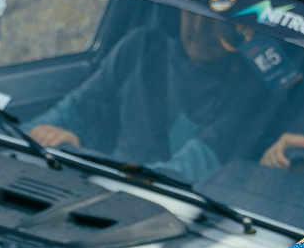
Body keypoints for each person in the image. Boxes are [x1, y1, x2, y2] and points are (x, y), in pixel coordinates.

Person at [31, 10, 282, 181]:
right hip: (107, 187)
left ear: (242, 28)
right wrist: (37, 135)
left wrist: (82, 158)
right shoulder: (143, 47)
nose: (198, 27)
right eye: (192, 10)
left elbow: (184, 173)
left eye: (216, 19)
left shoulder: (253, 89)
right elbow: (69, 113)